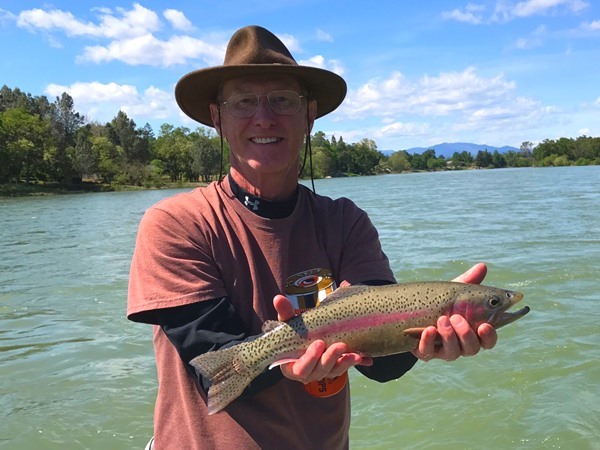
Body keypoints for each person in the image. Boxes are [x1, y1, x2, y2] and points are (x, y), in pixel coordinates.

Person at [127, 25, 497, 450]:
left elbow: (381, 366)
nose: (264, 117)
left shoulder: (346, 222)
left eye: (282, 100)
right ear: (218, 118)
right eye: (244, 101)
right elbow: (211, 365)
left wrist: (428, 336)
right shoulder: (176, 223)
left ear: (309, 115)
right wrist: (286, 360)